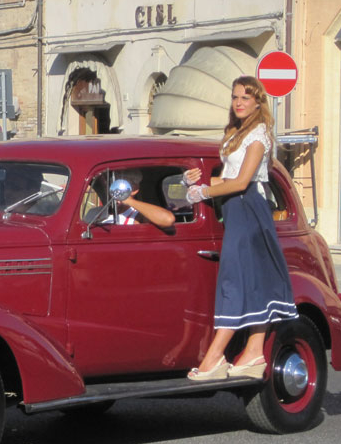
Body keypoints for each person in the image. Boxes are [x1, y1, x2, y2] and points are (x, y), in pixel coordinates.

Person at [183, 75, 298, 381]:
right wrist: (195, 184)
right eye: (235, 97)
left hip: (249, 208)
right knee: (250, 280)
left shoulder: (258, 135)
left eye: (246, 98)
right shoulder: (238, 132)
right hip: (236, 207)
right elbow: (229, 178)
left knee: (234, 280)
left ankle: (215, 355)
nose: (239, 103)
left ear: (259, 102)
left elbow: (243, 181)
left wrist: (204, 192)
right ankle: (253, 351)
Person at [103, 169, 176, 228]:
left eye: (119, 186)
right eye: (110, 183)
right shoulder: (99, 213)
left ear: (134, 189)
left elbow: (168, 220)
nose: (113, 189)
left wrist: (128, 200)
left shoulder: (136, 215)